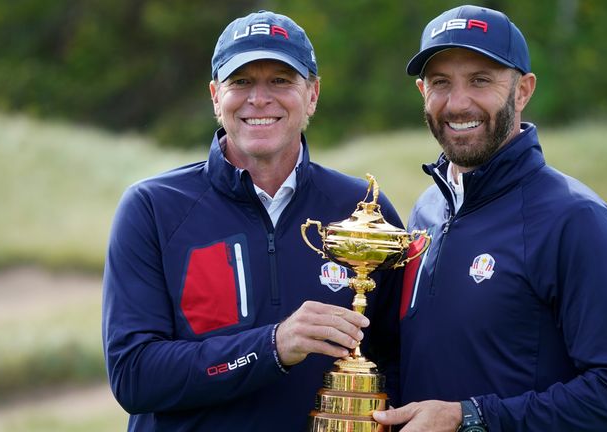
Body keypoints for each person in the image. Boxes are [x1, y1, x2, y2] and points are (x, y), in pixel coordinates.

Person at [101, 10, 401, 431]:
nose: (259, 99)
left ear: (312, 94)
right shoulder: (152, 207)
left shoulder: (363, 211)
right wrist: (272, 346)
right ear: (214, 95)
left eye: (281, 80)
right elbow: (134, 376)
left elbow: (398, 360)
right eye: (241, 82)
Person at [373, 5, 607, 432]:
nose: (458, 102)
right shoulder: (427, 208)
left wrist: (469, 418)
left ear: (522, 90)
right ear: (421, 92)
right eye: (440, 83)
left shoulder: (577, 220)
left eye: (481, 80)